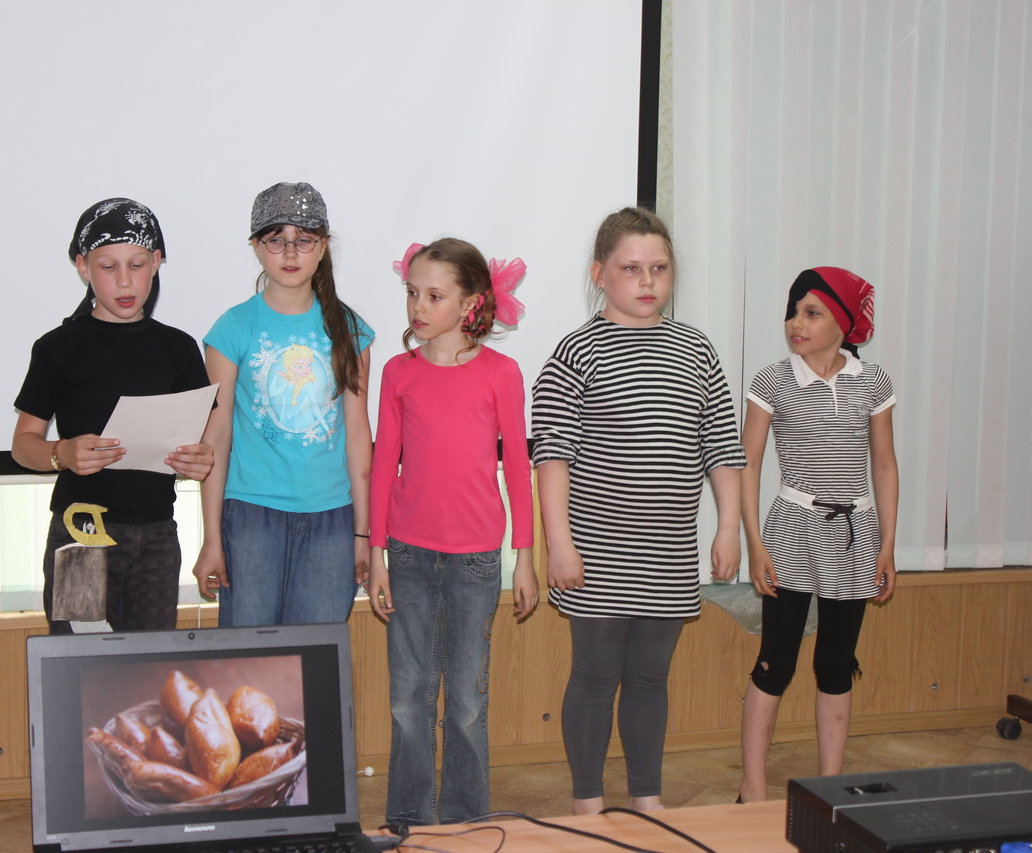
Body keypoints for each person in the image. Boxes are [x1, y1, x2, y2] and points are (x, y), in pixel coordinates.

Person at [532, 206, 745, 813]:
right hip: (597, 553)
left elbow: (722, 446)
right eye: (631, 268)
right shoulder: (576, 352)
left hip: (667, 552)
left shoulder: (696, 350)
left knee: (651, 678)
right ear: (600, 274)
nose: (647, 281)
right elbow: (552, 457)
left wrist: (728, 529)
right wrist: (560, 544)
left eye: (659, 268)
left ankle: (647, 798)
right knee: (596, 677)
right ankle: (588, 803)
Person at [368, 238, 538, 827]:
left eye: (434, 295)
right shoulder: (398, 373)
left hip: (475, 561)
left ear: (471, 304)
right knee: (408, 697)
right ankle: (410, 819)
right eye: (412, 292)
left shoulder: (501, 373)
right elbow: (383, 465)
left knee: (466, 701)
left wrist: (525, 556)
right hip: (408, 555)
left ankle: (465, 821)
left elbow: (518, 467)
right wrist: (377, 554)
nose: (418, 306)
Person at [12, 198, 214, 634]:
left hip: (157, 536)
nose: (125, 280)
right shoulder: (57, 348)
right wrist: (62, 453)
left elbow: (196, 444)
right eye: (108, 267)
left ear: (156, 262)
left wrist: (198, 460)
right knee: (80, 662)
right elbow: (23, 444)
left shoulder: (178, 349)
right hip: (81, 531)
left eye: (137, 265)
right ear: (82, 266)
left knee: (148, 664)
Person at [737, 267, 898, 803]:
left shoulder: (873, 382)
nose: (796, 323)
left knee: (835, 664)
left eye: (812, 313)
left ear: (844, 323)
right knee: (775, 662)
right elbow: (748, 464)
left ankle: (830, 789)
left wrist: (887, 546)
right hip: (791, 530)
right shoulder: (773, 380)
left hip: (854, 536)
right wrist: (755, 543)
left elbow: (885, 465)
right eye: (793, 312)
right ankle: (753, 788)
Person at [193, 182, 374, 626]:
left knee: (317, 655)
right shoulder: (233, 328)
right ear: (257, 247)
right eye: (276, 240)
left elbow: (357, 434)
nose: (290, 253)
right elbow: (216, 436)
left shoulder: (349, 330)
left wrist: (362, 533)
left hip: (332, 518)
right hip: (251, 517)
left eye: (304, 240)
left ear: (323, 247)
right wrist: (212, 538)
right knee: (249, 654)